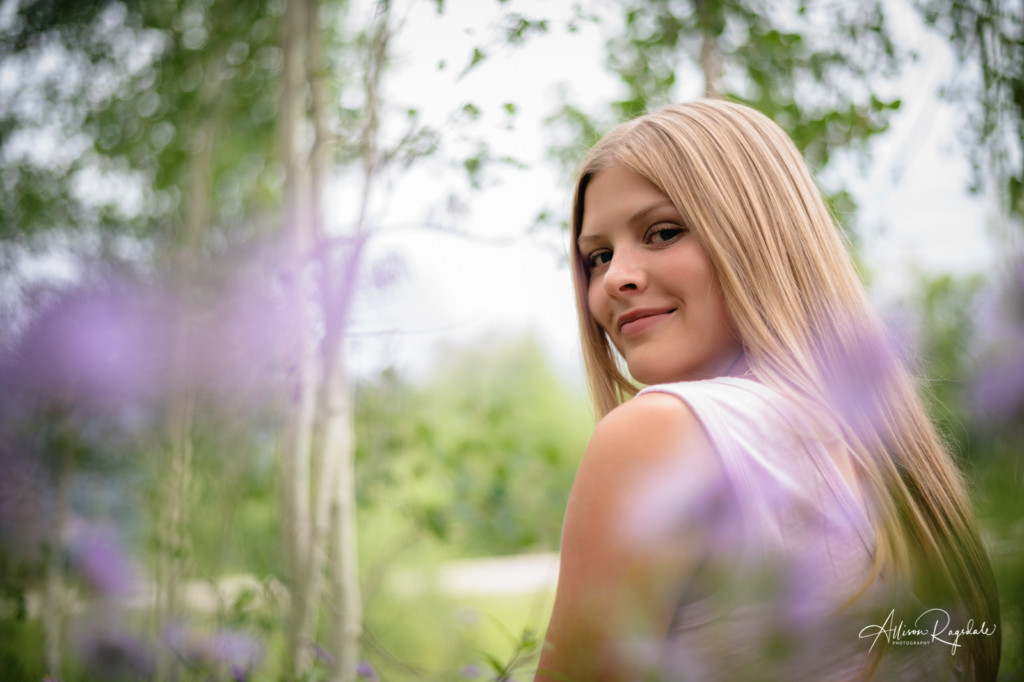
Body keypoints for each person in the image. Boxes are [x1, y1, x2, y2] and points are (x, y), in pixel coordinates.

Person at [535, 100, 1001, 681]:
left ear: (760, 235)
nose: (616, 278)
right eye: (597, 256)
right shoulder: (888, 460)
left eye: (663, 232)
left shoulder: (657, 430)